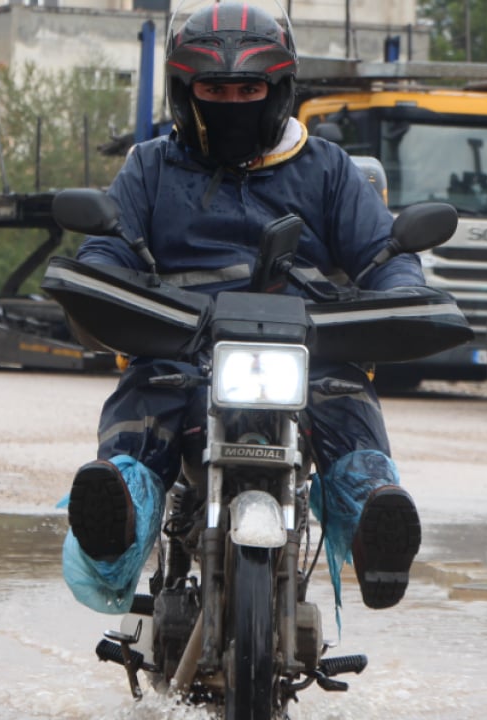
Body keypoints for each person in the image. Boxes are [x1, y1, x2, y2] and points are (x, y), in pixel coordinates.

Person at [64, 1, 424, 615]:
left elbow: (382, 251)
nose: (232, 101)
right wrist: (100, 280)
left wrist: (401, 288)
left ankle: (374, 518)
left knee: (348, 414)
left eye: (248, 87)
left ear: (277, 89)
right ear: (186, 91)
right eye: (215, 87)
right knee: (140, 421)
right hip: (180, 350)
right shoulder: (150, 167)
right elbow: (106, 245)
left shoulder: (329, 169)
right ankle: (118, 509)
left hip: (309, 355)